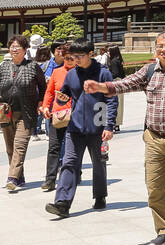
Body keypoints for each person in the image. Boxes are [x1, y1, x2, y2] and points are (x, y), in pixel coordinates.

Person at [87, 31, 165, 245]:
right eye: (160, 45)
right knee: (154, 186)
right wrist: (103, 87)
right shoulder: (150, 70)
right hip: (153, 136)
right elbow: (127, 83)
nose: (163, 49)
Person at [46, 38, 116, 217]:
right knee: (69, 163)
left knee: (99, 163)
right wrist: (59, 100)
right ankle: (62, 203)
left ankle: (100, 196)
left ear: (91, 54)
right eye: (73, 56)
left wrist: (109, 125)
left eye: (80, 56)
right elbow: (66, 93)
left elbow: (111, 100)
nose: (75, 60)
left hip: (98, 127)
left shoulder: (103, 74)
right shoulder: (71, 74)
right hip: (74, 128)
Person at [0, 34, 47, 191]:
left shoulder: (33, 67)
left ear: (25, 49)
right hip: (6, 113)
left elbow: (43, 87)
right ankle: (19, 177)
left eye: (17, 47)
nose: (14, 49)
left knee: (19, 145)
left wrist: (41, 102)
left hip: (26, 113)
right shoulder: (4, 67)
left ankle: (12, 178)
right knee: (10, 148)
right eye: (12, 47)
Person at [38, 45, 71, 191]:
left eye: (72, 57)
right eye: (67, 57)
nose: (69, 60)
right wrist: (45, 106)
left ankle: (74, 174)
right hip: (57, 115)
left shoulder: (81, 72)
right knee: (54, 147)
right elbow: (49, 92)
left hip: (75, 116)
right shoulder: (57, 72)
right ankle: (50, 180)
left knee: (73, 148)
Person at [103, 45, 126, 131]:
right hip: (120, 82)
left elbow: (115, 73)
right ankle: (117, 124)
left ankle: (115, 123)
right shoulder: (119, 60)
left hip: (115, 83)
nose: (108, 53)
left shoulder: (113, 61)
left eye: (109, 51)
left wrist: (106, 75)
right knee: (120, 105)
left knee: (115, 104)